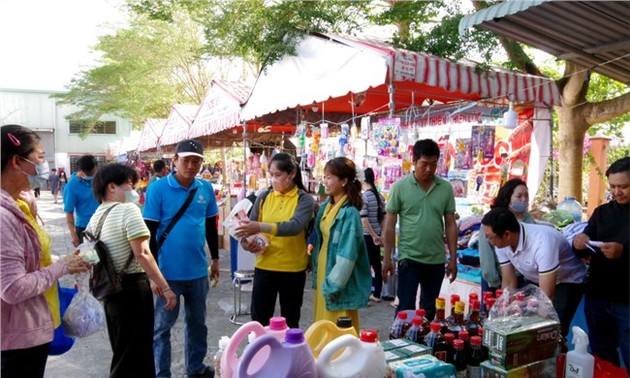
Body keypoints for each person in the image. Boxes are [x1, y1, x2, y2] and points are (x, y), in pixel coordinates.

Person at [1, 124, 91, 378]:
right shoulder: (3, 217)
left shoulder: (17, 203)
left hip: (30, 326)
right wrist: (60, 267)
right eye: (39, 158)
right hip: (18, 335)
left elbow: (27, 259)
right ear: (17, 162)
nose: (43, 166)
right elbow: (12, 288)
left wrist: (63, 261)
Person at [87, 163, 177, 377]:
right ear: (111, 187)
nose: (133, 190)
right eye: (128, 184)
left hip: (110, 292)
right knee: (136, 355)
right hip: (131, 290)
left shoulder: (95, 217)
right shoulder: (127, 210)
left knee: (122, 350)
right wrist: (165, 287)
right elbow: (143, 254)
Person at [143, 139, 219, 378]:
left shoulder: (205, 188)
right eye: (186, 160)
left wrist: (215, 259)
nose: (191, 165)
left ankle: (195, 367)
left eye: (196, 161)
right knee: (162, 328)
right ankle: (161, 373)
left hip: (198, 272)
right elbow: (150, 233)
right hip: (167, 275)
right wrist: (154, 276)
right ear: (174, 160)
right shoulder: (157, 189)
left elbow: (210, 226)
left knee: (198, 324)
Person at [235, 153, 315, 328]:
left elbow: (294, 227)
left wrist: (260, 227)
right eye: (271, 175)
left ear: (292, 173)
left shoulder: (304, 199)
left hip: (292, 269)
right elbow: (250, 229)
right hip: (265, 267)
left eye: (277, 175)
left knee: (290, 320)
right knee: (259, 321)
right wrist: (247, 243)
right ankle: (259, 354)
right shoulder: (263, 197)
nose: (273, 179)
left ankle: (289, 355)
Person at [381, 139, 458, 320]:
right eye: (424, 164)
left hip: (436, 259)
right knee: (405, 309)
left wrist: (453, 258)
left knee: (430, 310)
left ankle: (425, 346)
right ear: (413, 162)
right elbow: (390, 225)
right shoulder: (399, 188)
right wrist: (387, 258)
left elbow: (451, 224)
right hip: (409, 258)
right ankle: (400, 345)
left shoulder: (445, 188)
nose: (429, 169)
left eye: (433, 164)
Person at [482, 207, 586, 338]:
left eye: (490, 237)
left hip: (566, 281)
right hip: (537, 277)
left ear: (507, 234)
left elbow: (547, 295)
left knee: (551, 330)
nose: (488, 241)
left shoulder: (542, 241)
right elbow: (509, 282)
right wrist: (504, 310)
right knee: (520, 320)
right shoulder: (501, 243)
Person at [572, 156, 629, 370]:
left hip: (626, 300)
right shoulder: (602, 213)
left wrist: (623, 253)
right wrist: (579, 244)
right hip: (598, 295)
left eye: (623, 186)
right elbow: (583, 247)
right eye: (613, 186)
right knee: (601, 354)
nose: (617, 192)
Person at [311, 157, 371, 333]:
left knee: (338, 327)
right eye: (325, 176)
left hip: (337, 278)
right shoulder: (327, 206)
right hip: (325, 269)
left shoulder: (349, 213)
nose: (325, 181)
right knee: (323, 325)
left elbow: (347, 256)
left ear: (344, 181)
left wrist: (333, 285)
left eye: (330, 177)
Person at [479, 179, 535, 296]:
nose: (524, 200)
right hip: (497, 279)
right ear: (507, 198)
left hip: (522, 278)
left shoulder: (529, 220)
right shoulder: (493, 220)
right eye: (519, 196)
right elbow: (486, 255)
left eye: (526, 195)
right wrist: (494, 282)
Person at [360, 167, 386, 303]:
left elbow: (364, 219)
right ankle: (377, 292)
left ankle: (367, 294)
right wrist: (380, 232)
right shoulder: (379, 195)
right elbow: (384, 216)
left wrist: (373, 235)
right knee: (376, 264)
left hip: (367, 235)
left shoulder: (365, 196)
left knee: (366, 265)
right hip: (376, 235)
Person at [64, 154, 99, 247]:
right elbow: (69, 212)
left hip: (102, 224)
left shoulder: (99, 180)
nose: (91, 176)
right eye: (88, 174)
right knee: (87, 259)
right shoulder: (71, 186)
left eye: (93, 173)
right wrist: (73, 235)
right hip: (84, 227)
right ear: (80, 170)